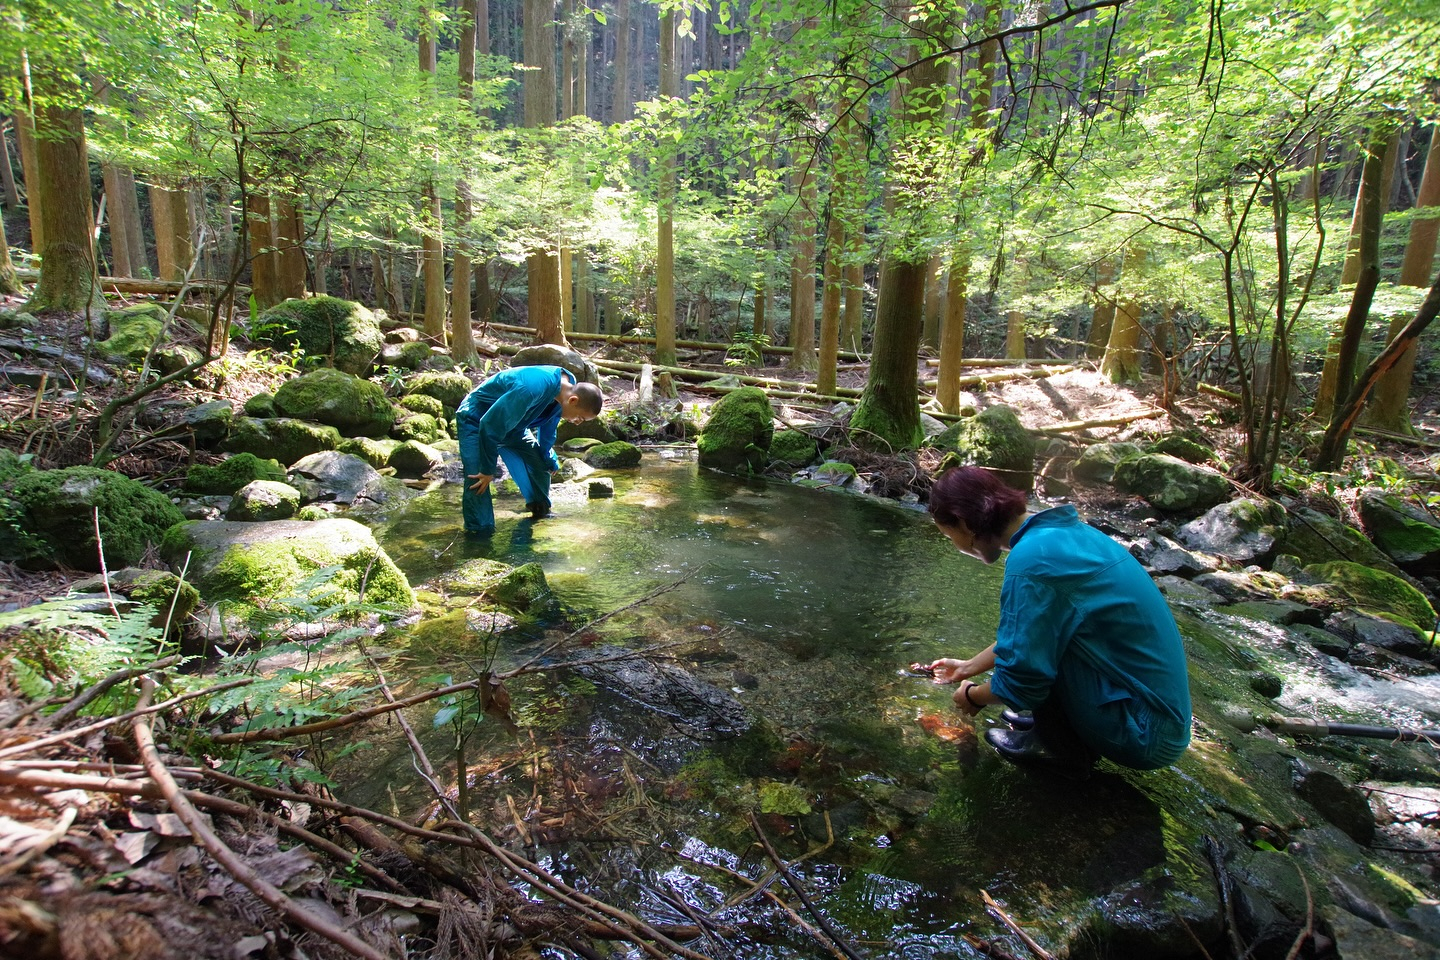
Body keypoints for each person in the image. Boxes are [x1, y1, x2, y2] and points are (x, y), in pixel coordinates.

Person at [919, 465, 1191, 780]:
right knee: (1054, 638)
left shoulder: (1032, 561)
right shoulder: (1064, 534)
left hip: (1144, 734)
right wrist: (968, 667)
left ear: (964, 523)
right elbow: (1035, 628)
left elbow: (1022, 679)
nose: (954, 543)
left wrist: (972, 696)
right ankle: (1053, 731)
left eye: (949, 534)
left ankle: (1058, 748)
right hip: (1159, 719)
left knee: (1040, 658)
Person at [455, 364, 603, 536]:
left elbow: (549, 424)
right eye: (581, 417)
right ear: (573, 400)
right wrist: (488, 470)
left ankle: (540, 511)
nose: (578, 422)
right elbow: (489, 425)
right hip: (476, 419)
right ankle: (479, 536)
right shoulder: (531, 388)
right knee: (478, 480)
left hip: (515, 426)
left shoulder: (566, 387)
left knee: (541, 465)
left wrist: (547, 457)